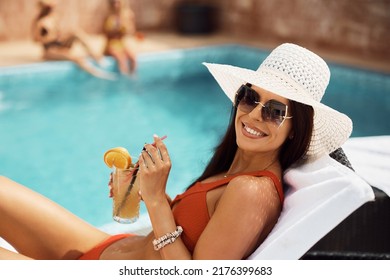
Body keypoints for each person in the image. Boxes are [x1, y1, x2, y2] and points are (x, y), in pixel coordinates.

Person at [0, 43, 352, 260]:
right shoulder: (233, 170)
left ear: (295, 128)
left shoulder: (253, 190)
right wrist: (150, 190)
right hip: (108, 248)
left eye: (275, 111)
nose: (254, 114)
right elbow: (190, 230)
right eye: (250, 97)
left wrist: (154, 202)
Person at [32, 0, 116, 80]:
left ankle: (97, 57)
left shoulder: (53, 18)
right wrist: (47, 35)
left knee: (76, 33)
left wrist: (59, 35)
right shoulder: (40, 22)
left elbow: (58, 33)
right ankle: (95, 73)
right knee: (77, 58)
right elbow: (36, 40)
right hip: (50, 50)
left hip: (58, 44)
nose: (51, 10)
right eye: (48, 8)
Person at [103, 0, 138, 75]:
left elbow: (131, 31)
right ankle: (123, 79)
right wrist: (116, 30)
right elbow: (105, 33)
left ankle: (133, 76)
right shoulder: (109, 17)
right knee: (121, 60)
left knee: (133, 58)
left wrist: (126, 28)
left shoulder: (125, 17)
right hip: (111, 44)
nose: (116, 5)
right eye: (114, 3)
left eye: (117, 2)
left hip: (121, 43)